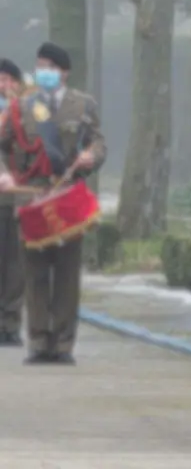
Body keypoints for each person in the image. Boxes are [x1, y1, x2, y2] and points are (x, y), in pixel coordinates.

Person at [0, 42, 106, 365]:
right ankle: (38, 341)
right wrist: (4, 174)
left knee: (66, 273)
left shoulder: (83, 106)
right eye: (40, 65)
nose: (44, 71)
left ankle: (62, 343)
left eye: (50, 66)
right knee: (33, 272)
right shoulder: (22, 107)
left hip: (67, 199)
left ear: (64, 71)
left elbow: (98, 141)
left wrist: (92, 157)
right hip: (32, 198)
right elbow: (3, 147)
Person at [0, 59, 26, 346]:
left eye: (9, 79)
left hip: (20, 199)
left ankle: (10, 324)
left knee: (16, 266)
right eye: (0, 79)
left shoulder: (31, 112)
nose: (4, 85)